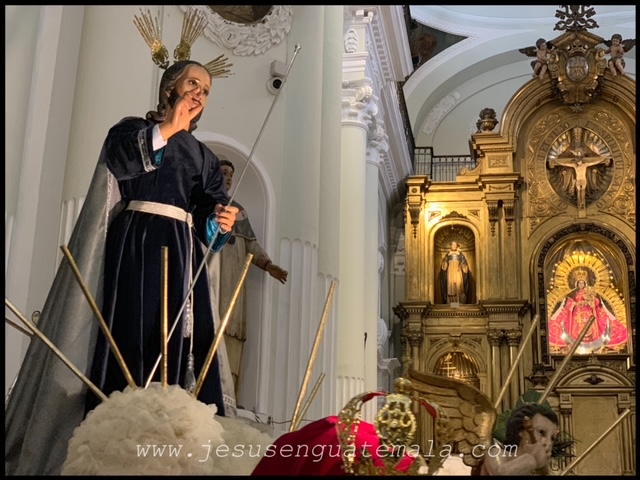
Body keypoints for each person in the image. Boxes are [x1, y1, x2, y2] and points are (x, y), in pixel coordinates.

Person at [5, 59, 239, 475]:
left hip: (183, 255)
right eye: (192, 83)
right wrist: (167, 129)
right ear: (169, 88)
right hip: (136, 247)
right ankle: (115, 441)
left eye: (206, 89)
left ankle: (168, 445)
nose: (199, 93)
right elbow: (121, 161)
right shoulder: (132, 129)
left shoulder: (204, 156)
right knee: (130, 335)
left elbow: (209, 216)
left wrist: (221, 220)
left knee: (178, 345)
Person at [208, 159, 288, 399]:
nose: (228, 178)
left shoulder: (239, 212)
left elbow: (251, 245)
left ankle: (230, 394)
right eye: (224, 172)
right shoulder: (205, 206)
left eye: (231, 174)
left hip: (234, 284)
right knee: (209, 325)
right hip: (211, 278)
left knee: (232, 332)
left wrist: (268, 265)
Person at [547, 269, 628, 353]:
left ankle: (593, 345)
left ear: (585, 283)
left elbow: (597, 302)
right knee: (576, 329)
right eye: (579, 283)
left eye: (582, 283)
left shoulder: (590, 291)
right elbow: (568, 303)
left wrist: (590, 301)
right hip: (577, 313)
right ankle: (575, 345)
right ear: (577, 283)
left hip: (589, 313)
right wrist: (576, 304)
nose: (581, 285)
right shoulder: (572, 293)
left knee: (591, 328)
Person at [478, 403, 559, 476]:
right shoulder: (496, 453)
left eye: (552, 438)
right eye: (541, 432)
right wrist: (532, 459)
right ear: (522, 431)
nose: (549, 443)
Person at [548, 127, 611, 211]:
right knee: (568, 171)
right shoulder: (569, 149)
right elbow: (563, 161)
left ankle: (583, 202)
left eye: (579, 134)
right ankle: (575, 196)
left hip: (585, 173)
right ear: (573, 136)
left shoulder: (586, 149)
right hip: (572, 172)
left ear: (581, 136)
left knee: (591, 172)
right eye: (576, 134)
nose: (577, 136)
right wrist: (555, 161)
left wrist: (603, 159)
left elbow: (594, 160)